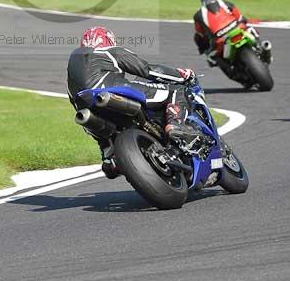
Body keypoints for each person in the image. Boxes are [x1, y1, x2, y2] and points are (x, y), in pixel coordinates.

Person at [67, 26, 198, 179]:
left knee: (97, 130)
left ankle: (110, 157)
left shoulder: (72, 67)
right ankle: (176, 125)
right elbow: (147, 70)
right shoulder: (108, 51)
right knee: (175, 91)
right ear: (108, 40)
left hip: (86, 108)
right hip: (111, 90)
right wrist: (182, 75)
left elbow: (72, 99)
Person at [193, 0, 271, 66]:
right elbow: (240, 17)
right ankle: (262, 48)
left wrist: (203, 49)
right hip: (237, 28)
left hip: (220, 39)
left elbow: (200, 34)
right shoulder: (226, 3)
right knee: (250, 29)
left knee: (212, 58)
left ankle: (228, 67)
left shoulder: (198, 15)